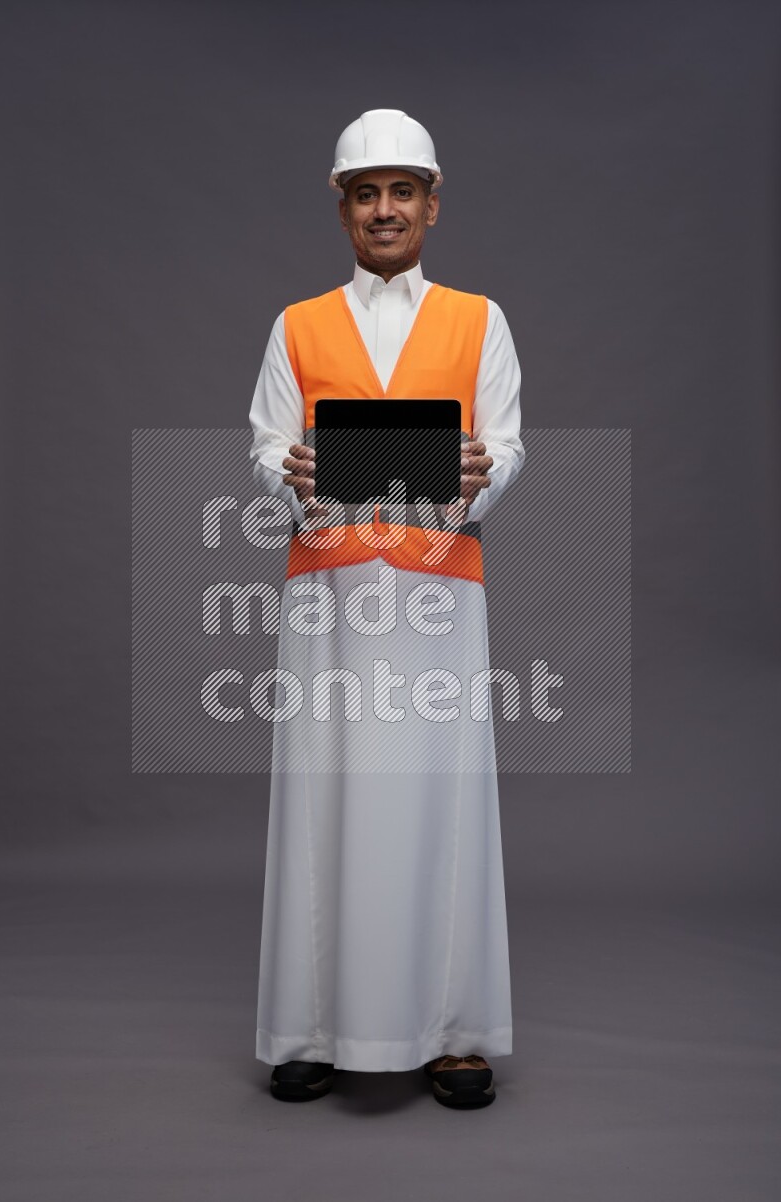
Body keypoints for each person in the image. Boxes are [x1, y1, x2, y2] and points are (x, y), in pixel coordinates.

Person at [248, 109, 525, 1109]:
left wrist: (481, 473)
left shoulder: (478, 319)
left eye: (401, 190)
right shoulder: (295, 324)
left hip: (437, 594)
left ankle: (451, 1029)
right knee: (324, 794)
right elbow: (264, 442)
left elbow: (505, 443)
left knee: (437, 797)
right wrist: (287, 468)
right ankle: (313, 1024)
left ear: (431, 205)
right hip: (326, 595)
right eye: (364, 192)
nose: (383, 208)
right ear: (342, 208)